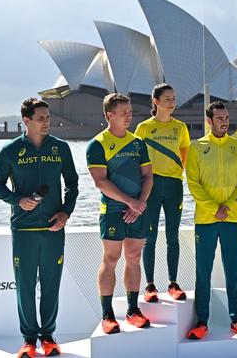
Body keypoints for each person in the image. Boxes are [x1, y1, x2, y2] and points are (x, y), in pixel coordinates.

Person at [0, 98, 78, 358]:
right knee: (25, 286)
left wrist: (65, 212)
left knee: (51, 285)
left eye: (48, 118)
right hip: (24, 230)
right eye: (41, 118)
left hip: (53, 228)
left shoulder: (60, 148)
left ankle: (48, 337)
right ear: (26, 121)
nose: (46, 122)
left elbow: (72, 185)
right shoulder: (9, 150)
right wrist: (18, 200)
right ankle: (29, 340)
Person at [185, 101, 237, 339]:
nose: (225, 121)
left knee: (233, 270)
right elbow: (193, 184)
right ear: (209, 121)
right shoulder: (197, 147)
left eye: (226, 117)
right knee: (203, 272)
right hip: (206, 219)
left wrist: (229, 206)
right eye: (220, 118)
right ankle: (202, 321)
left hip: (232, 218)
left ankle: (236, 319)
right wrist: (215, 208)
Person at [86, 93, 153, 334]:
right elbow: (100, 182)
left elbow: (148, 176)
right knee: (111, 259)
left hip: (137, 210)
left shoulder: (138, 143)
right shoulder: (97, 144)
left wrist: (140, 203)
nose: (129, 115)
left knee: (134, 258)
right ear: (109, 115)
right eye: (123, 112)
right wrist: (130, 202)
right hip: (113, 211)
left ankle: (133, 310)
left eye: (130, 111)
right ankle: (107, 315)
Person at [135, 83, 191, 302]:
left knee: (172, 236)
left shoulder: (181, 128)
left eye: (174, 98)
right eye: (167, 98)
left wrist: (177, 174)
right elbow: (136, 159)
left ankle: (173, 283)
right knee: (150, 237)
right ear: (155, 101)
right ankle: (150, 285)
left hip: (174, 185)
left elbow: (185, 157)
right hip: (150, 185)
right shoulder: (144, 128)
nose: (172, 102)